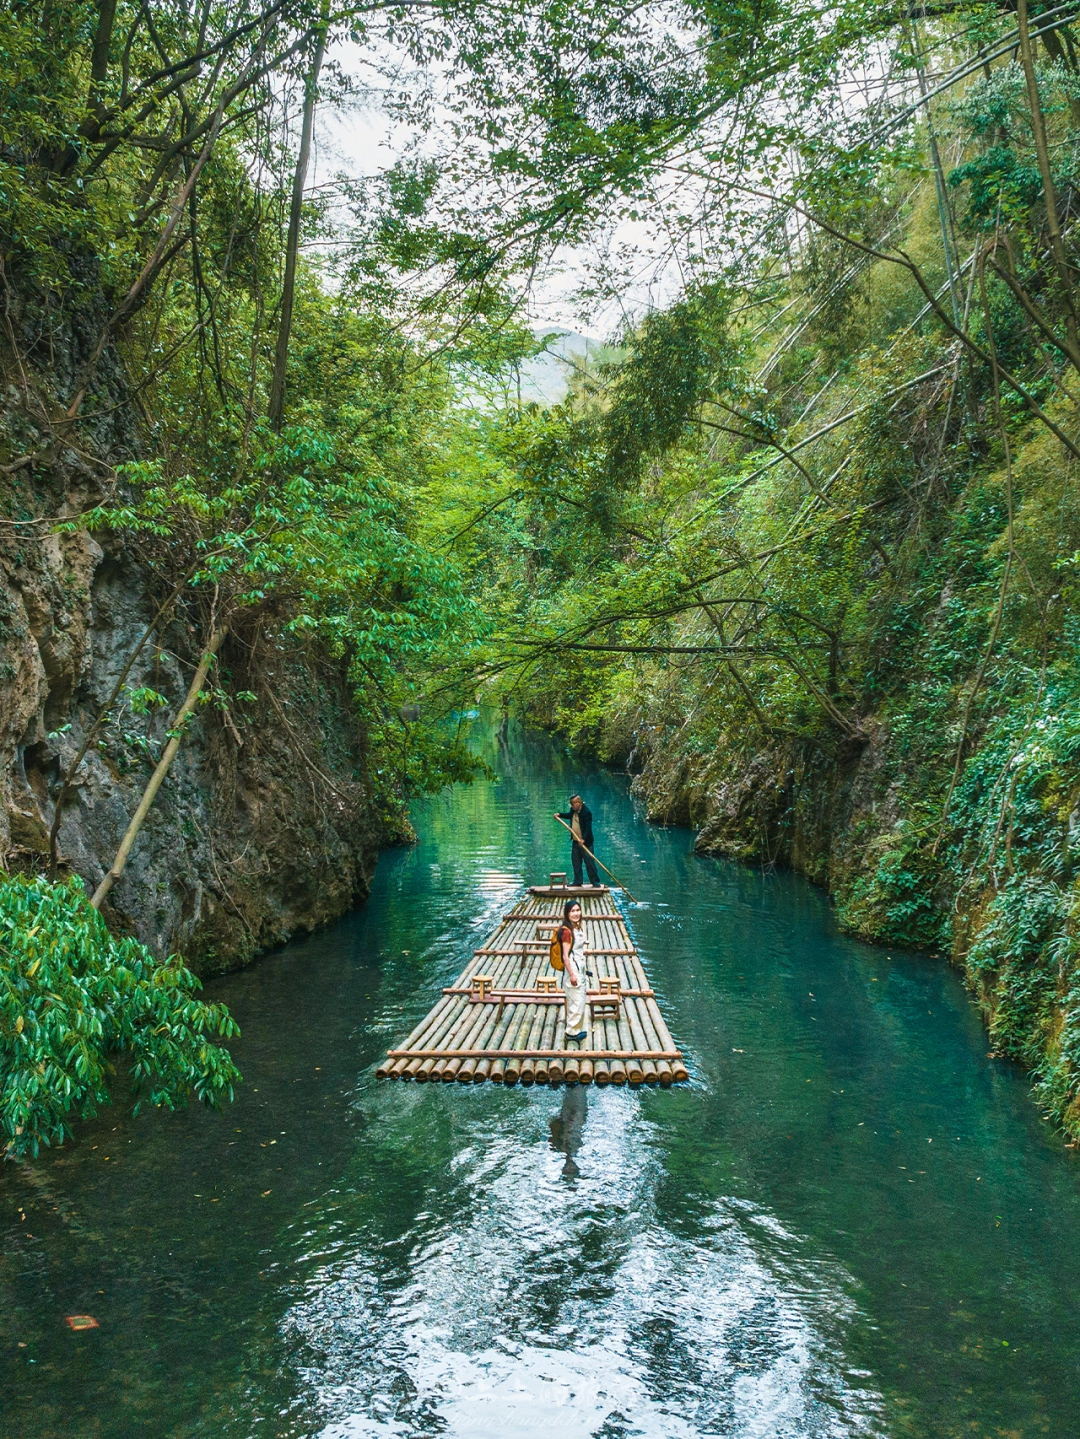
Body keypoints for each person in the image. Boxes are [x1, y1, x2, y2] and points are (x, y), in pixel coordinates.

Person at [556, 898, 589, 1043]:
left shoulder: (577, 927)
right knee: (576, 1001)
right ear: (567, 914)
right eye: (572, 911)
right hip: (573, 970)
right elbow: (565, 956)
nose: (576, 913)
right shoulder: (567, 932)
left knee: (580, 1000)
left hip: (580, 967)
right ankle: (571, 1032)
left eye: (578, 910)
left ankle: (576, 1029)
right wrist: (572, 975)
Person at [555, 794, 600, 887]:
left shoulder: (587, 812)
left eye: (573, 804)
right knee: (576, 862)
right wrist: (559, 814)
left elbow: (588, 828)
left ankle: (595, 881)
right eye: (571, 804)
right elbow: (569, 815)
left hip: (586, 843)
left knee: (589, 862)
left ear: (579, 803)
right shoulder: (573, 810)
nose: (572, 806)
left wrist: (583, 839)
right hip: (576, 841)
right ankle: (577, 881)